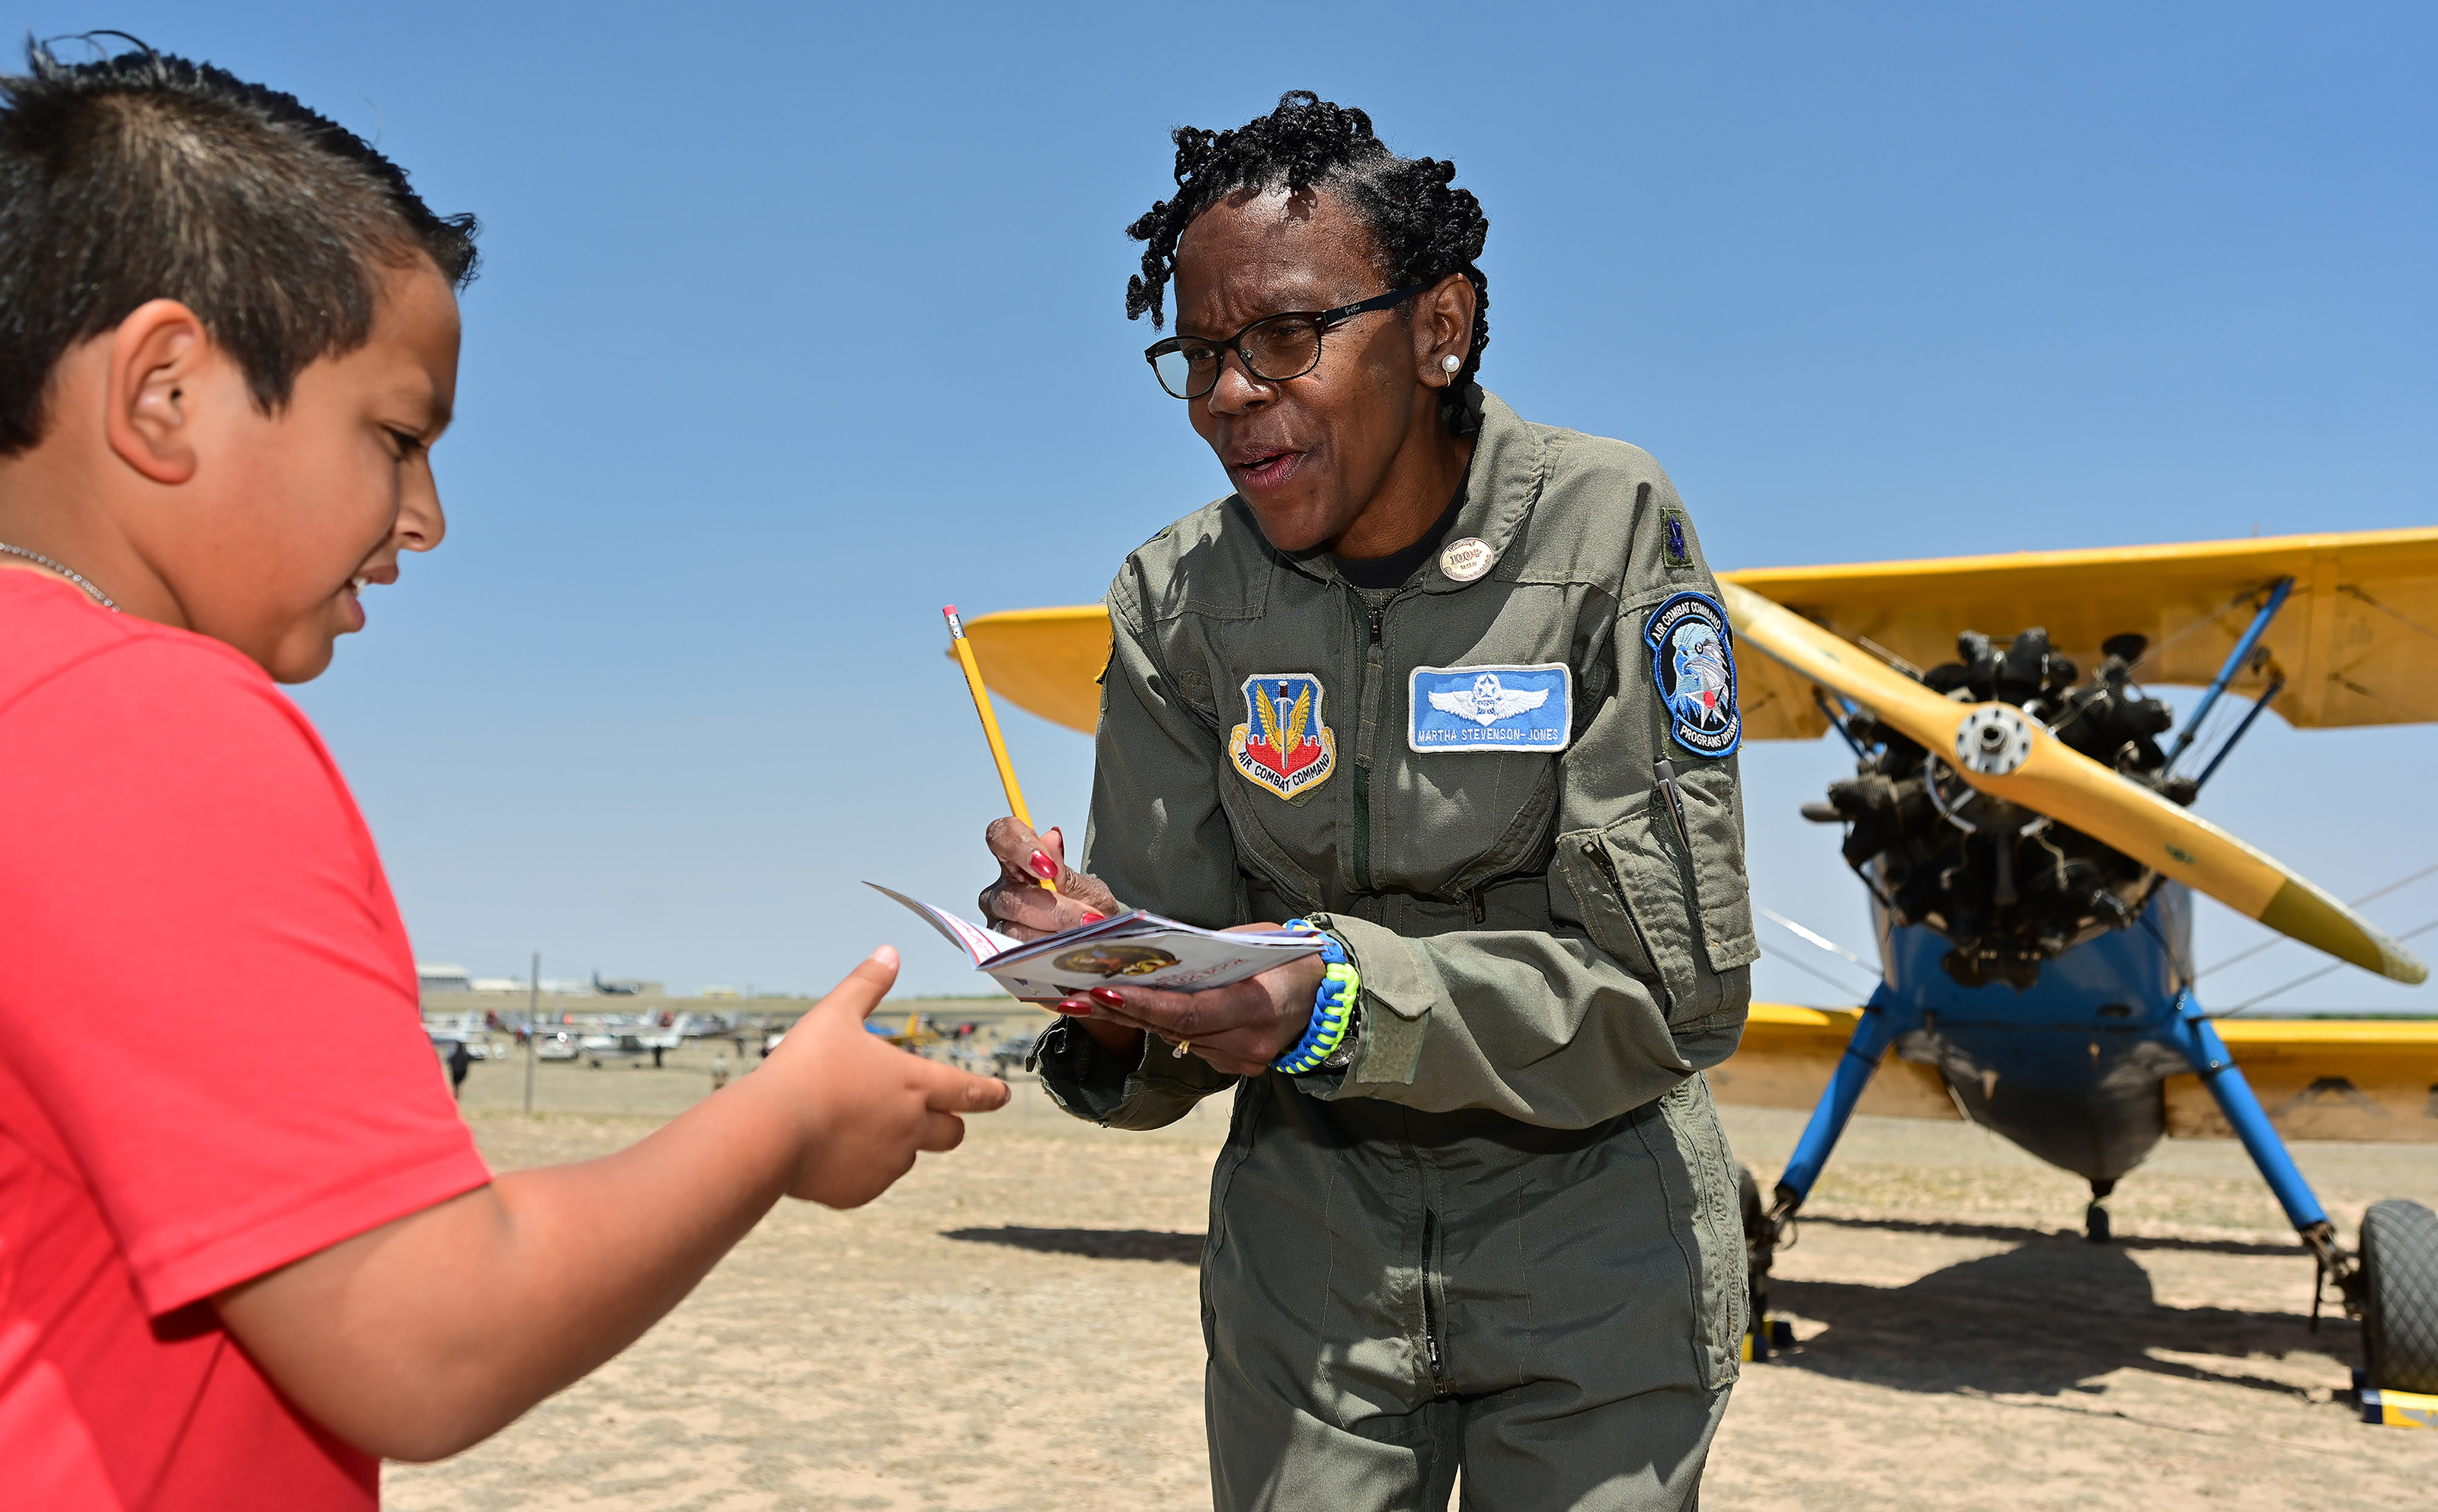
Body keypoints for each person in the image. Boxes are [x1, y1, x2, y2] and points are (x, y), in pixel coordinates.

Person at [0, 40, 1006, 1508]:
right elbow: (423, 1332)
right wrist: (784, 1118)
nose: (427, 518)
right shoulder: (144, 717)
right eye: (396, 438)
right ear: (163, 392)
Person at [979, 93, 1755, 1511]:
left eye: (1283, 336)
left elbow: (1670, 999)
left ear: (1438, 325)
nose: (1229, 393)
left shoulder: (1608, 530)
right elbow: (1190, 996)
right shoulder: (1178, 602)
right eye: (1204, 353)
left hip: (1595, 1257)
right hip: (1311, 1263)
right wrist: (1105, 969)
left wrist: (1341, 996)